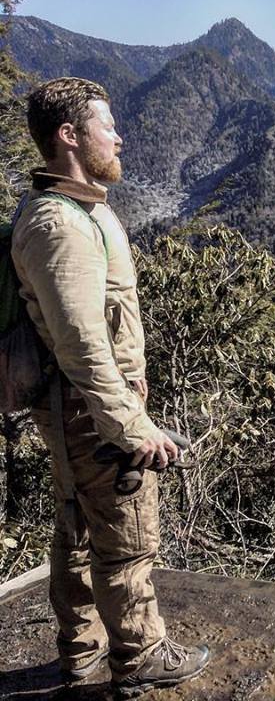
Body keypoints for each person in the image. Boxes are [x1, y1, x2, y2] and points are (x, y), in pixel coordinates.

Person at [10, 77, 209, 697]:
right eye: (107, 125)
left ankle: (83, 652)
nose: (119, 135)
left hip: (78, 406)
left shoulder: (80, 207)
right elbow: (81, 345)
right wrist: (130, 426)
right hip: (88, 410)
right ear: (69, 136)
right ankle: (139, 656)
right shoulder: (60, 225)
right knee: (124, 532)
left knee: (77, 528)